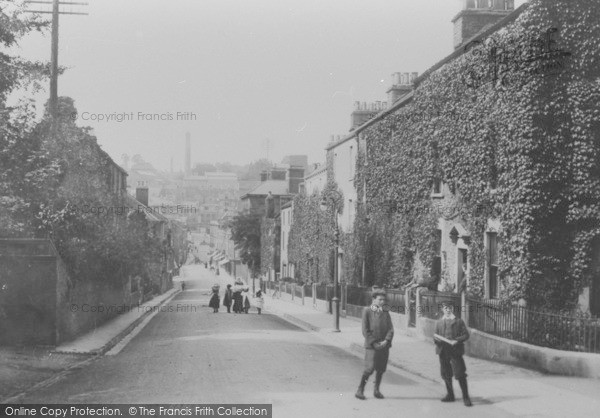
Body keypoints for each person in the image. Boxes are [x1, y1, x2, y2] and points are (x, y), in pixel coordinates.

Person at [355, 288, 394, 400]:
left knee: (381, 368)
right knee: (369, 368)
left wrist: (386, 340)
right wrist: (374, 343)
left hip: (384, 345)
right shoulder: (367, 311)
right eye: (380, 299)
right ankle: (360, 389)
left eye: (383, 300)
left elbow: (391, 329)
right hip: (372, 346)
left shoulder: (385, 312)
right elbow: (365, 330)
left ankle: (376, 390)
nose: (382, 302)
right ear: (374, 299)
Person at [434, 300, 472, 407]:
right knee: (446, 374)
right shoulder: (439, 322)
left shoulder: (459, 322)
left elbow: (466, 335)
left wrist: (457, 340)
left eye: (449, 308)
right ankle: (450, 395)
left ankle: (466, 397)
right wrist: (437, 340)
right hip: (443, 351)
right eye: (445, 308)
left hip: (455, 351)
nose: (447, 310)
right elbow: (435, 336)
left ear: (452, 309)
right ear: (442, 310)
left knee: (460, 374)